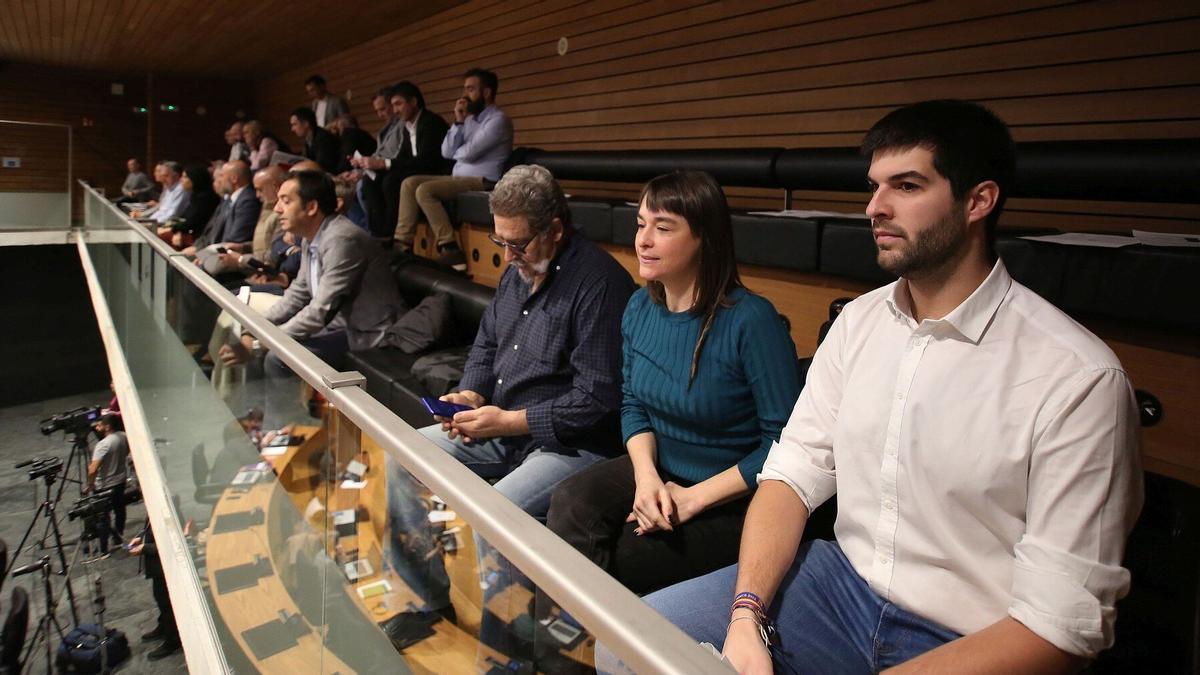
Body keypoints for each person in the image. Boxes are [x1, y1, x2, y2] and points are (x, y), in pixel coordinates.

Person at [617, 100, 1143, 675]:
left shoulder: (1080, 377)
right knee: (624, 648)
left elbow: (1060, 627)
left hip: (970, 633)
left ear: (978, 201)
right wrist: (746, 616)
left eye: (907, 186)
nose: (875, 207)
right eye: (874, 187)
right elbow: (792, 470)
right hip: (839, 587)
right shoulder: (858, 322)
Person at [546, 170, 801, 596]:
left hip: (733, 496)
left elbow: (785, 445)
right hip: (661, 469)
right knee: (570, 503)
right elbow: (633, 405)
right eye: (641, 224)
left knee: (626, 557)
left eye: (663, 228)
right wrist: (645, 477)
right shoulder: (638, 307)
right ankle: (563, 650)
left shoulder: (752, 321)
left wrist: (695, 497)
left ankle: (596, 655)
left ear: (704, 238)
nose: (643, 240)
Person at [219, 170, 411, 421]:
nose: (276, 209)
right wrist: (257, 327)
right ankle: (261, 417)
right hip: (339, 324)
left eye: (286, 201)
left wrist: (259, 342)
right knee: (257, 342)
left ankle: (283, 432)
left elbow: (321, 309)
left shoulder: (343, 238)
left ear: (311, 207)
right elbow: (299, 293)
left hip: (368, 332)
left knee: (276, 358)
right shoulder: (314, 236)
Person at [395, 68, 512, 270]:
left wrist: (461, 150)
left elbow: (470, 153)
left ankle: (450, 248)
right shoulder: (467, 120)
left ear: (487, 92)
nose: (465, 95)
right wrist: (458, 121)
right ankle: (402, 243)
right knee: (409, 183)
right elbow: (446, 151)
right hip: (458, 179)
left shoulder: (498, 120)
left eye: (471, 89)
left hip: (483, 180)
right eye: (465, 89)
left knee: (425, 190)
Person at [354, 82, 450, 239]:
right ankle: (378, 235)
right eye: (393, 105)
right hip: (417, 171)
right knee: (372, 180)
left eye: (398, 104)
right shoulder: (408, 126)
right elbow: (403, 158)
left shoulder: (431, 122)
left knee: (391, 181)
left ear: (413, 102)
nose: (395, 110)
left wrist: (385, 163)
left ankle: (392, 236)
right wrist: (377, 166)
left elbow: (427, 161)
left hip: (435, 172)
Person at [128, 525, 181, 660]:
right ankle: (163, 626)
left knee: (166, 604)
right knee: (160, 599)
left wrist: (145, 548)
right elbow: (153, 529)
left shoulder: (168, 509)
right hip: (157, 567)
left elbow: (172, 541)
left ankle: (172, 639)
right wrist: (142, 539)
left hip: (165, 567)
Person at [86, 413, 128, 556]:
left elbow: (93, 469)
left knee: (103, 517)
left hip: (104, 486)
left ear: (108, 426)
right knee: (120, 511)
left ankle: (103, 549)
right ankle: (118, 538)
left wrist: (90, 484)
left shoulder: (102, 445)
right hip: (120, 482)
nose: (97, 427)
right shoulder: (123, 436)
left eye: (100, 425)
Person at [158, 163, 219, 249]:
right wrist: (178, 231)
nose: (181, 180)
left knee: (162, 236)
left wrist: (174, 230)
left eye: (185, 177)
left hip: (201, 239)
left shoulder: (206, 198)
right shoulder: (195, 195)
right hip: (191, 234)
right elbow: (185, 218)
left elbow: (192, 222)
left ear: (195, 179)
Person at [290, 106, 340, 173]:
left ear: (306, 124)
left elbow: (322, 167)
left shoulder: (324, 139)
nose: (292, 129)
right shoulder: (308, 139)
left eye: (295, 124)